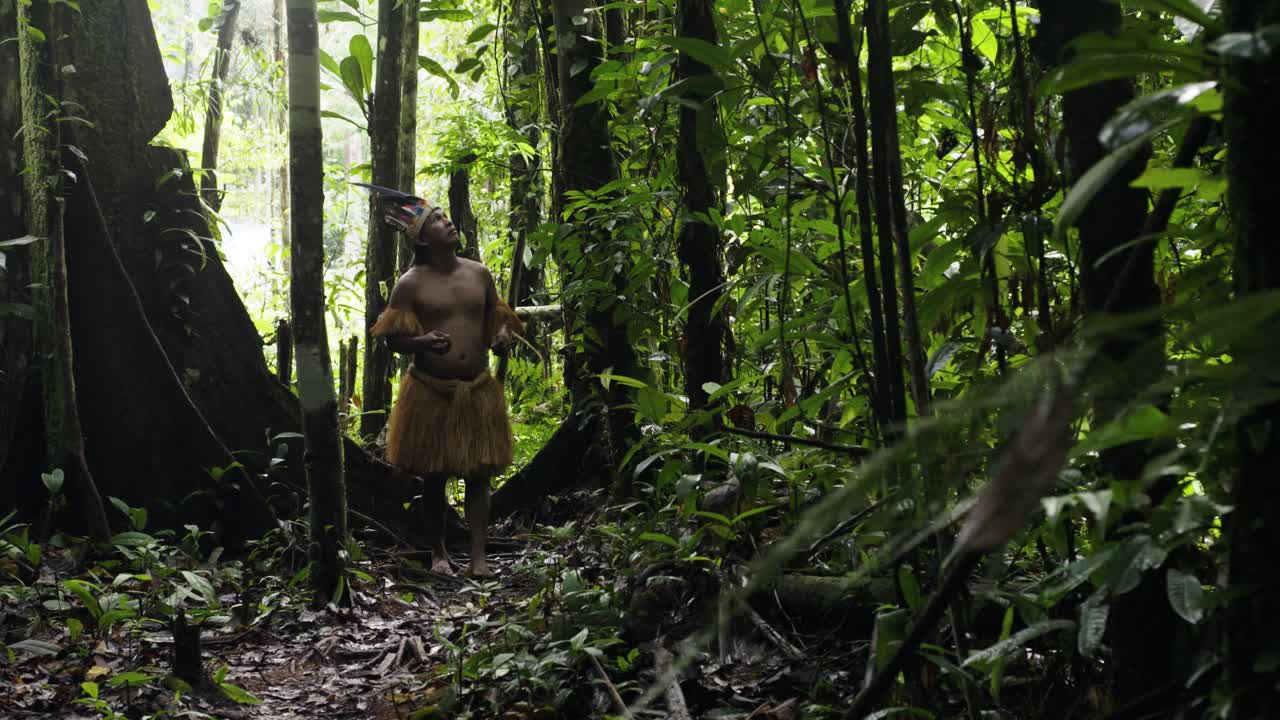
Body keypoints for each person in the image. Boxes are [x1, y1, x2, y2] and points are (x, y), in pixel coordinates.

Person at [363, 184, 523, 577]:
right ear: (420, 237)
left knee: (479, 474)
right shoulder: (411, 283)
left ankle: (480, 558)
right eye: (436, 219)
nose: (447, 222)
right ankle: (438, 556)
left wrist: (503, 337)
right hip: (430, 390)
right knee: (434, 477)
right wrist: (421, 341)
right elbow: (391, 339)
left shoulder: (479, 274)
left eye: (444, 215)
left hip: (477, 389)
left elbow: (499, 317)